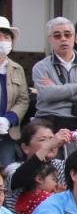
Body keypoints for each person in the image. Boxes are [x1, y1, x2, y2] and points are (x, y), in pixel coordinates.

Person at [31, 17, 77, 136]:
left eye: (67, 35)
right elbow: (47, 95)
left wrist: (57, 90)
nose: (63, 39)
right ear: (50, 39)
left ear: (74, 37)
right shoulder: (40, 67)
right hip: (48, 122)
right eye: (57, 36)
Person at [0, 16, 31, 166]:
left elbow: (23, 99)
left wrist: (9, 119)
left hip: (8, 134)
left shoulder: (17, 68)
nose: (2, 41)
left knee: (7, 171)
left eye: (6, 37)